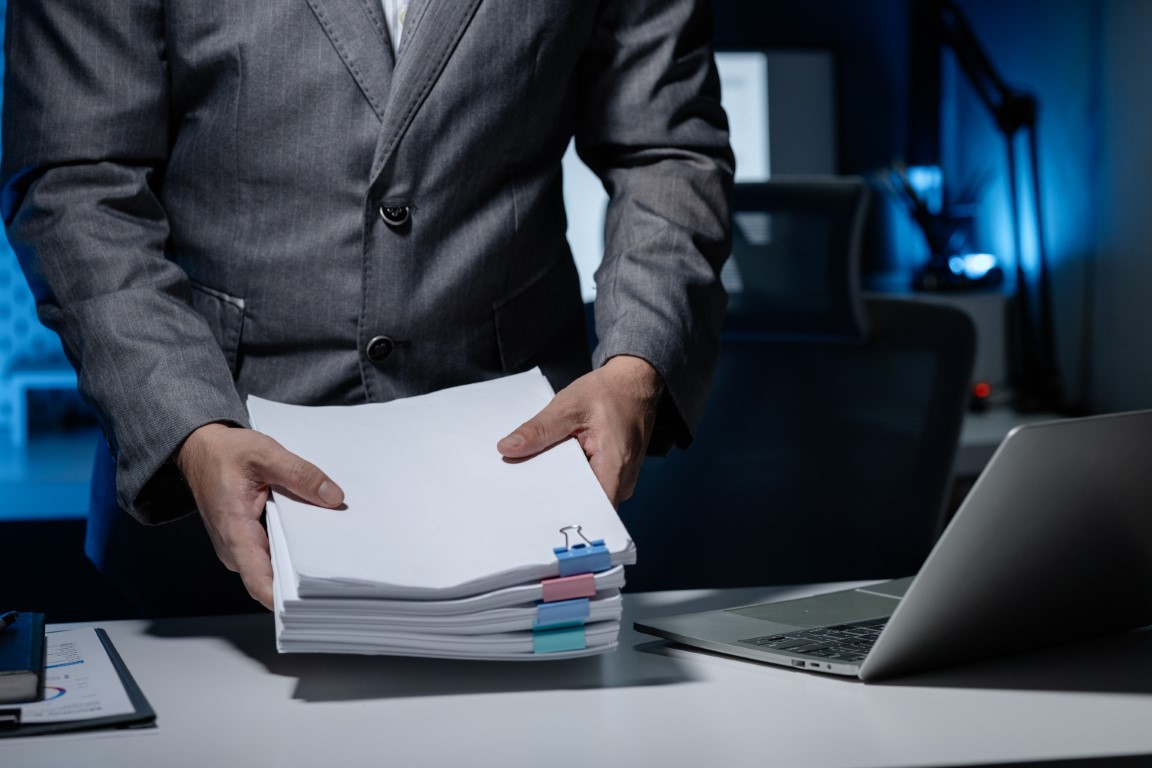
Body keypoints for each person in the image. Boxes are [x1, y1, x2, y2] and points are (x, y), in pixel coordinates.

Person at [1, 0, 733, 616]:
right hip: (211, 534)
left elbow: (668, 150)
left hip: (524, 508)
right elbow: (76, 184)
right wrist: (189, 430)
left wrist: (637, 364)